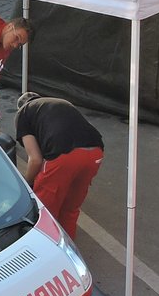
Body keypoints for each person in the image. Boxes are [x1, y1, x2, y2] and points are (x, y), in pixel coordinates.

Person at [14, 93, 104, 240]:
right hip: (95, 153)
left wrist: (28, 182)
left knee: (44, 210)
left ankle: (45, 247)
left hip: (64, 156)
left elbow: (35, 159)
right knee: (70, 209)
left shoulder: (23, 112)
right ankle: (68, 248)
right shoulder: (59, 103)